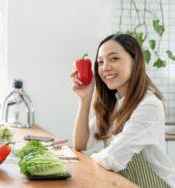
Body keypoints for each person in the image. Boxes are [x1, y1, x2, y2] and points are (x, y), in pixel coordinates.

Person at [70, 34, 175, 187]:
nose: (105, 67)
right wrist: (85, 98)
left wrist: (78, 164)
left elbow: (111, 158)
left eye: (114, 59)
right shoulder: (115, 103)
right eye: (100, 62)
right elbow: (81, 143)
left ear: (135, 61)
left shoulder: (149, 105)